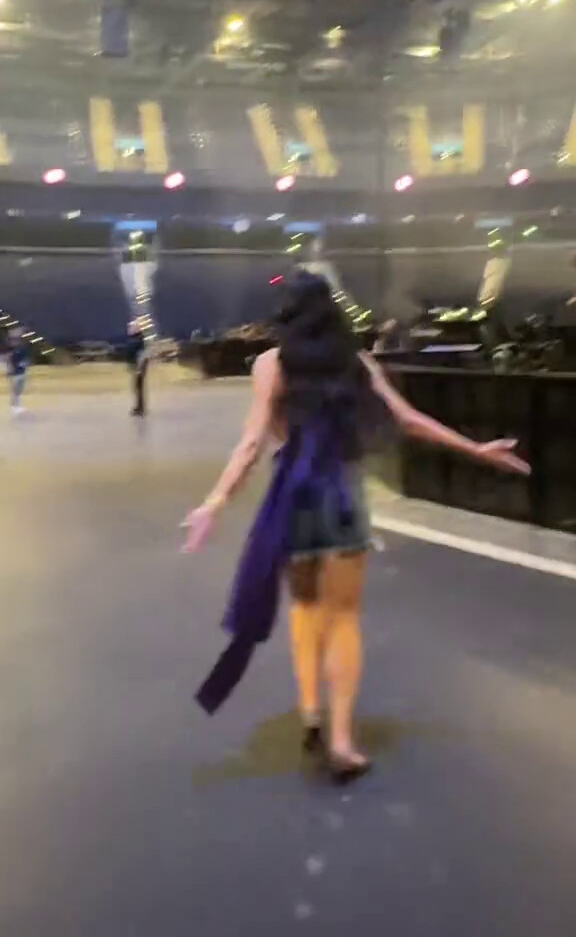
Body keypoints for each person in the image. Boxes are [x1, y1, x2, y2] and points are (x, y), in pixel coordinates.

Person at [181, 271, 529, 782]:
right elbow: (408, 420)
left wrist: (215, 501)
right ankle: (342, 741)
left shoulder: (270, 364)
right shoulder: (357, 363)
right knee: (342, 617)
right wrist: (476, 449)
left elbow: (252, 443)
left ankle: (311, 713)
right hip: (342, 497)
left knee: (304, 607)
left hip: (293, 499)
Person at [124, 321, 149, 417]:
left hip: (139, 369)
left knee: (138, 389)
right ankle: (139, 407)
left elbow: (141, 356)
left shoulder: (137, 342)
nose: (128, 330)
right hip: (138, 368)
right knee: (137, 389)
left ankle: (140, 408)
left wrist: (139, 369)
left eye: (130, 328)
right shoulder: (137, 340)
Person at [5, 326, 29, 415]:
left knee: (19, 390)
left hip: (21, 371)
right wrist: (10, 370)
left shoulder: (21, 348)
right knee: (16, 390)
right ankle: (14, 407)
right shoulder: (11, 349)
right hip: (15, 372)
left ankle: (18, 406)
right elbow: (8, 361)